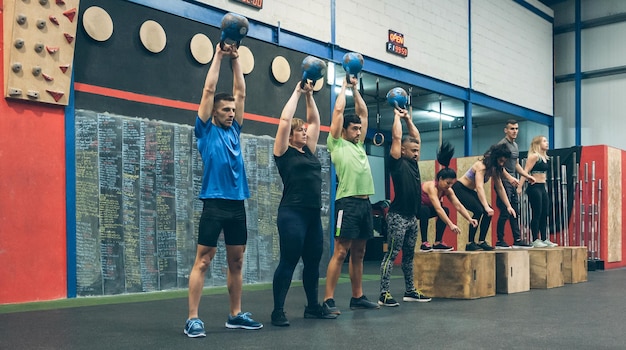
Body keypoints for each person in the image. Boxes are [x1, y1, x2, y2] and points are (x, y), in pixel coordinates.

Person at [184, 43, 262, 338]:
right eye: (225, 110)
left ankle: (235, 314)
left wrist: (237, 59)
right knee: (203, 260)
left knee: (237, 260)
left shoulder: (235, 129)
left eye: (233, 109)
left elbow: (240, 92)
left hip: (236, 203)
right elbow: (208, 90)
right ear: (214, 112)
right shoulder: (205, 130)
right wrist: (219, 55)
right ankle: (192, 318)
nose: (231, 113)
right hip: (214, 202)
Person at [270, 82, 338, 326]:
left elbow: (316, 122)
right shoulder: (283, 152)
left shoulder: (308, 152)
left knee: (312, 262)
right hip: (291, 214)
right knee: (288, 260)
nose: (305, 132)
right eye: (300, 131)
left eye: (304, 131)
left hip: (312, 215)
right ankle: (278, 310)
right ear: (290, 136)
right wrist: (297, 92)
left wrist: (310, 96)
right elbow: (284, 121)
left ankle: (312, 307)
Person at [322, 76, 379, 315]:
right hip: (346, 203)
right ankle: (328, 299)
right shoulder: (336, 143)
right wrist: (344, 87)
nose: (358, 131)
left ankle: (357, 296)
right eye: (354, 128)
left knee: (360, 252)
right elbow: (337, 111)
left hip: (366, 204)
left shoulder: (358, 145)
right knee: (341, 250)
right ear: (344, 130)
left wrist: (356, 90)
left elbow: (363, 113)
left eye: (359, 128)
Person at [378, 107, 432, 307]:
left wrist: (408, 118)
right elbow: (396, 137)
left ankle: (410, 290)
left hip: (411, 217)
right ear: (402, 150)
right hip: (397, 216)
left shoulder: (413, 163)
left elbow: (415, 136)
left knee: (409, 256)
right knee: (392, 254)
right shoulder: (397, 162)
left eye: (418, 151)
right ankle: (383, 293)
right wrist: (396, 117)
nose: (417, 154)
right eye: (414, 151)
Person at [451, 143, 517, 251]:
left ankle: (482, 241)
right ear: (495, 158)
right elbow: (479, 187)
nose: (502, 163)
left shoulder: (494, 169)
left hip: (469, 190)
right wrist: (486, 206)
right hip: (460, 189)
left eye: (503, 162)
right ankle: (470, 243)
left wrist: (509, 206)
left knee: (488, 212)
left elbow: (500, 188)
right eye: (500, 161)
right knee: (479, 210)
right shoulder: (481, 166)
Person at [418, 142, 479, 252]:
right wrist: (451, 225)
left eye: (452, 184)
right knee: (425, 210)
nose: (450, 186)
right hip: (414, 209)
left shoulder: (447, 190)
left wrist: (469, 219)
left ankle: (438, 243)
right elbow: (437, 209)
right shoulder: (432, 187)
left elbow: (458, 205)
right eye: (448, 183)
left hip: (426, 209)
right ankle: (424, 243)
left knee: (445, 210)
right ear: (440, 179)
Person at [494, 120, 536, 249]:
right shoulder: (502, 145)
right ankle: (500, 240)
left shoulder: (515, 146)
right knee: (506, 211)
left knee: (515, 211)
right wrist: (509, 177)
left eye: (516, 129)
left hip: (512, 181)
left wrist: (527, 175)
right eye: (512, 129)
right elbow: (499, 165)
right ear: (506, 130)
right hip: (502, 181)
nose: (515, 131)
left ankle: (517, 239)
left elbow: (516, 164)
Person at [518, 136, 558, 248]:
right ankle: (535, 239)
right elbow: (525, 171)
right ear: (538, 144)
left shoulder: (544, 157)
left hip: (542, 187)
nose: (547, 143)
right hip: (534, 188)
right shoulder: (534, 156)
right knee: (537, 213)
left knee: (545, 213)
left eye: (547, 141)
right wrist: (519, 187)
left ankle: (544, 238)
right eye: (544, 141)